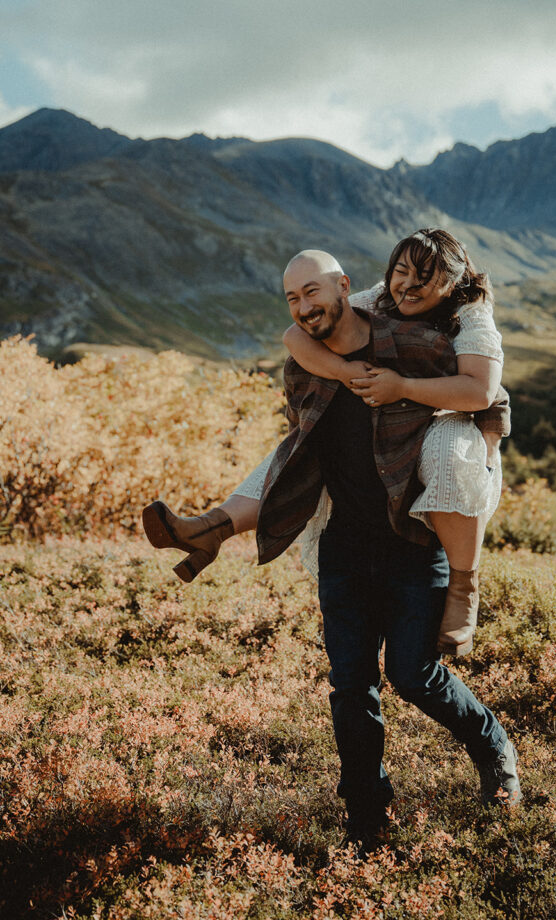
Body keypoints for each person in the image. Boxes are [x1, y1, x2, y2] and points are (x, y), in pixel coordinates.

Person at [144, 249, 521, 850]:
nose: (305, 307)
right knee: (351, 687)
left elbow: (484, 391)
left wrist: (463, 410)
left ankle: (493, 746)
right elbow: (295, 381)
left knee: (414, 674)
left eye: (313, 292)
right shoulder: (310, 358)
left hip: (414, 544)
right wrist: (343, 374)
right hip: (345, 546)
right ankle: (367, 813)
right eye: (294, 297)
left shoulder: (411, 341)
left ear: (346, 287)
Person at [144, 229, 508, 655]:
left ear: (451, 279)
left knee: (444, 455)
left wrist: (401, 386)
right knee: (307, 445)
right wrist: (343, 371)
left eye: (424, 276)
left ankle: (465, 588)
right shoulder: (380, 297)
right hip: (396, 414)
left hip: (456, 422)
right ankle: (211, 528)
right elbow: (294, 337)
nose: (407, 285)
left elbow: (479, 392)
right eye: (400, 272)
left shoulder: (472, 314)